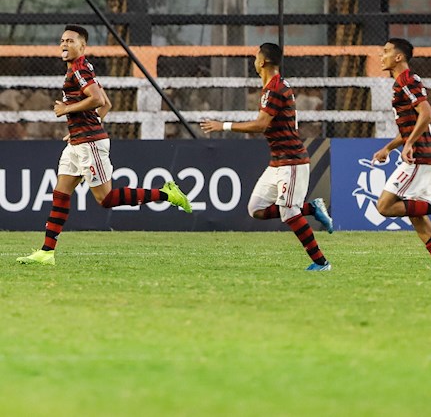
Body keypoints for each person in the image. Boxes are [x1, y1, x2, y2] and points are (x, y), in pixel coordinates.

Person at [17, 25, 192, 266]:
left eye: (70, 41)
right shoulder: (83, 69)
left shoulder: (79, 70)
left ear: (82, 46)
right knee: (60, 194)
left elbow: (99, 100)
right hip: (78, 141)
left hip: (90, 144)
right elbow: (106, 104)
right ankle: (47, 252)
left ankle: (166, 193)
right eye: (62, 40)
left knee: (106, 198)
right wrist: (81, 127)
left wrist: (67, 110)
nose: (64, 44)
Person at [200, 43, 334, 271]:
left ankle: (321, 263)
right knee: (257, 209)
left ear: (262, 62)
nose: (254, 61)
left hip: (292, 160)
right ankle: (312, 208)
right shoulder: (274, 86)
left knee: (289, 213)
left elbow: (261, 125)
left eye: (255, 56)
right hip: (278, 161)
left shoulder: (274, 88)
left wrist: (224, 125)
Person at [372, 38, 431, 275]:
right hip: (423, 154)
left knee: (385, 206)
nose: (382, 56)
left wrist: (409, 145)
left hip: (419, 156)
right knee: (416, 215)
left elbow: (427, 114)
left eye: (386, 52)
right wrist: (389, 147)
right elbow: (412, 126)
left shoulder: (406, 80)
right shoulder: (404, 82)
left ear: (398, 57)